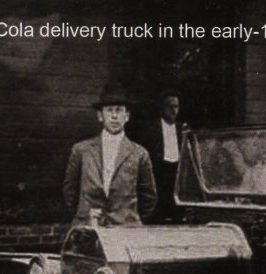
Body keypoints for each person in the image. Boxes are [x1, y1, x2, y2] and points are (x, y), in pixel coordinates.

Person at [63, 84, 157, 226]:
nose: (114, 116)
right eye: (109, 110)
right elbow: (70, 192)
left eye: (119, 111)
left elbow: (148, 197)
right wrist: (84, 215)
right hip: (89, 227)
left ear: (127, 116)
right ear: (100, 116)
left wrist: (127, 218)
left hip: (125, 231)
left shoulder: (139, 154)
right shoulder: (81, 150)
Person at [135, 91, 183, 223]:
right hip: (159, 171)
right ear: (162, 108)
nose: (173, 110)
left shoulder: (182, 129)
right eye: (170, 106)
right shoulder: (151, 128)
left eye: (176, 107)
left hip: (176, 171)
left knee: (176, 206)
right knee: (158, 206)